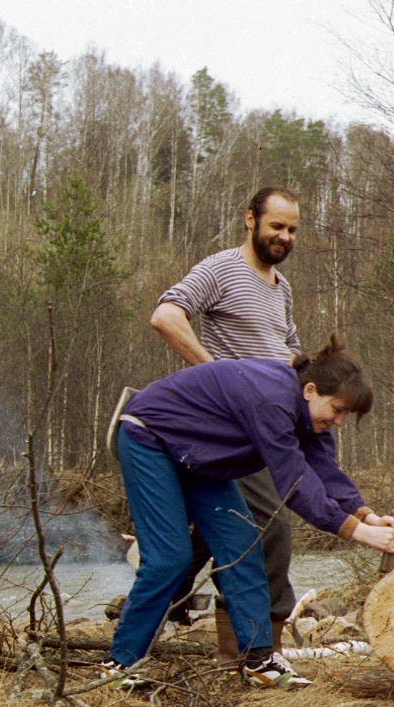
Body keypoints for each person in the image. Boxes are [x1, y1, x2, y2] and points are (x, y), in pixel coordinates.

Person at [103, 335, 394, 689]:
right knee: (169, 558)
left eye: (346, 414)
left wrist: (367, 515)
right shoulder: (272, 398)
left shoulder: (308, 416)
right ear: (310, 390)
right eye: (337, 410)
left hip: (196, 456)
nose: (340, 421)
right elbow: (294, 481)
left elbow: (325, 470)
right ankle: (119, 665)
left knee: (244, 544)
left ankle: (260, 660)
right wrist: (358, 532)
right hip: (149, 437)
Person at [149, 186, 302, 657]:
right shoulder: (221, 269)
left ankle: (151, 609)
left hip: (269, 429)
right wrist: (217, 376)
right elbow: (166, 316)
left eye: (292, 229)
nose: (284, 236)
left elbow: (290, 353)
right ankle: (249, 653)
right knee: (270, 526)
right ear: (250, 220)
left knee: (215, 529)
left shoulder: (281, 288)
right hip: (230, 429)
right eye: (276, 225)